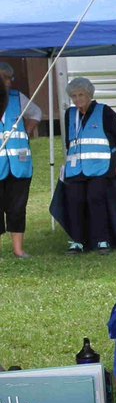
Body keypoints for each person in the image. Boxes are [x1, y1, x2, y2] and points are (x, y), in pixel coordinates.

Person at [62, 76, 116, 254]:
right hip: (76, 168)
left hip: (100, 166)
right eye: (74, 96)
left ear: (89, 95)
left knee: (95, 200)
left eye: (81, 95)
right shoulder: (70, 114)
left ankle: (102, 240)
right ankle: (77, 242)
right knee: (74, 202)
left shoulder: (104, 111)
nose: (77, 99)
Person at [0, 63, 41, 259]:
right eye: (4, 78)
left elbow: (37, 113)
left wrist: (27, 130)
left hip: (19, 164)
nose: (7, 82)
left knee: (17, 208)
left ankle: (18, 249)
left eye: (9, 78)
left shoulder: (18, 98)